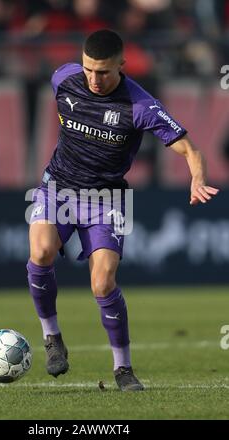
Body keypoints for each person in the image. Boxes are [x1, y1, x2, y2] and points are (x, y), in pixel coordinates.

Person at [26, 29, 219, 391]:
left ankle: (123, 368)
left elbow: (190, 149)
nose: (94, 79)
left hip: (106, 199)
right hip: (58, 188)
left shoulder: (140, 105)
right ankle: (52, 338)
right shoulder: (64, 79)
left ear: (121, 66)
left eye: (103, 72)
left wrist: (197, 179)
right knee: (40, 251)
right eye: (89, 70)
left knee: (103, 283)